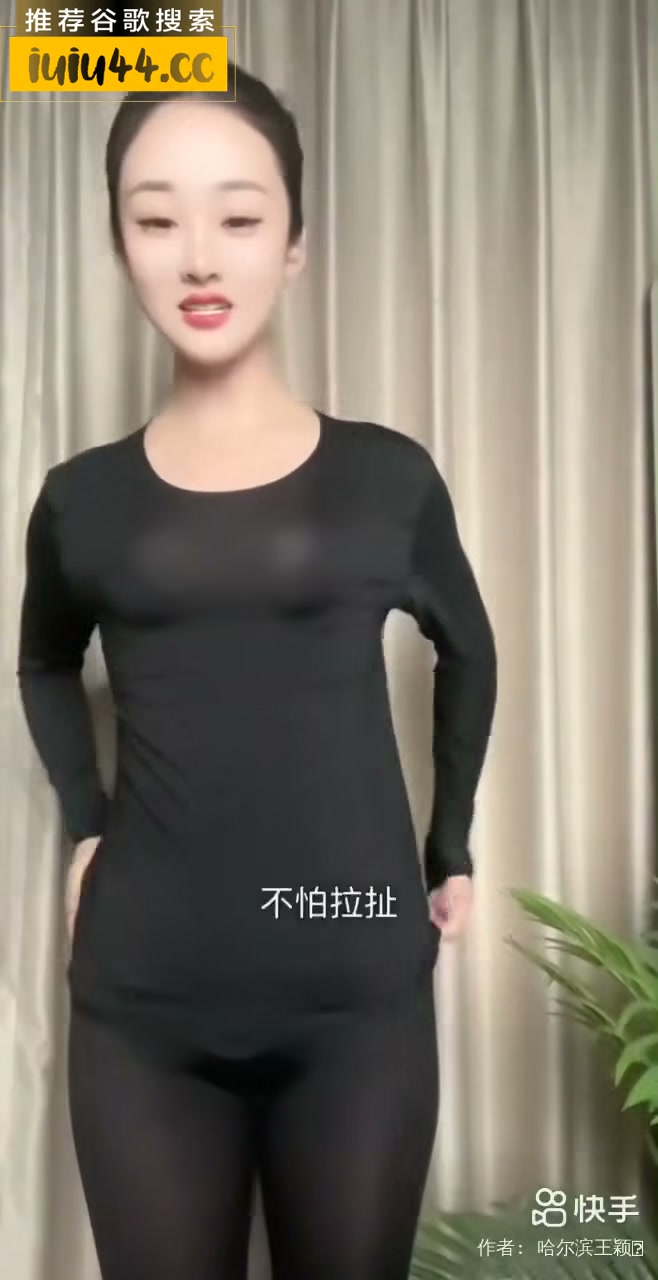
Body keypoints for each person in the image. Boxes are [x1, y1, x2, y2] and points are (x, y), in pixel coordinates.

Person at [15, 63, 497, 1280]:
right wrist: (84, 822)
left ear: (292, 244)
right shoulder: (79, 499)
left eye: (236, 216)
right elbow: (42, 658)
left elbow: (469, 644)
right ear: (119, 244)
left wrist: (448, 847)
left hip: (356, 1009)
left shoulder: (389, 476)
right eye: (155, 218)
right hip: (142, 1014)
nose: (197, 256)